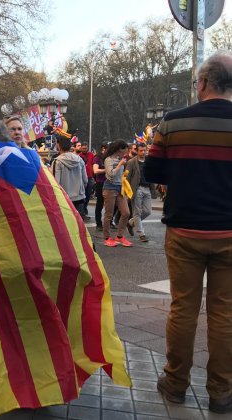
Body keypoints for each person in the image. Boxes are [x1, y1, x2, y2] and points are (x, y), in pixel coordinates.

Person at [0, 121, 130, 413]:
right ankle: (50, 382)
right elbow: (61, 205)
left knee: (14, 329)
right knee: (48, 320)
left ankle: (23, 385)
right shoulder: (34, 161)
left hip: (12, 265)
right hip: (59, 258)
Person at [144, 50, 232, 415]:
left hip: (183, 230)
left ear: (202, 84)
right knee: (225, 313)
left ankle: (175, 383)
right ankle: (222, 392)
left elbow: (152, 173)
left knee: (183, 308)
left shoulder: (172, 122)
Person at [102, 139, 132, 247]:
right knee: (109, 214)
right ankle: (107, 237)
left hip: (120, 188)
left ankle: (119, 236)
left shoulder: (120, 159)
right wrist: (119, 165)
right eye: (124, 150)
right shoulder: (109, 160)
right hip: (110, 188)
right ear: (119, 149)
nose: (125, 152)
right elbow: (110, 174)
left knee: (126, 213)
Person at [52, 136, 88, 220]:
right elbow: (85, 180)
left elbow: (55, 183)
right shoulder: (80, 160)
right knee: (77, 223)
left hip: (64, 199)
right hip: (79, 198)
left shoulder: (57, 162)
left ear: (58, 146)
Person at [125, 144, 156, 242]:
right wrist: (127, 192)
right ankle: (141, 234)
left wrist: (153, 189)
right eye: (141, 151)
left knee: (147, 211)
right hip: (137, 188)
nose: (143, 152)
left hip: (147, 188)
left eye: (145, 150)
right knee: (137, 212)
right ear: (137, 151)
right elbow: (127, 178)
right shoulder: (131, 162)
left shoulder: (149, 161)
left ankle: (130, 223)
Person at [92, 141, 109, 231]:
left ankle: (110, 222)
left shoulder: (109, 158)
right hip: (100, 183)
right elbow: (95, 170)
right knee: (100, 203)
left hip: (109, 183)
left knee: (111, 204)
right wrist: (106, 170)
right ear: (103, 149)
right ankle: (98, 223)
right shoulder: (97, 158)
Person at [77, 142, 95, 216]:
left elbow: (93, 165)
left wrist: (94, 178)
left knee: (88, 195)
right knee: (82, 195)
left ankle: (85, 207)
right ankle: (82, 210)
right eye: (83, 148)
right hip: (81, 179)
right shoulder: (79, 156)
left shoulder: (91, 155)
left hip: (90, 178)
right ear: (81, 148)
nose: (84, 149)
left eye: (86, 148)